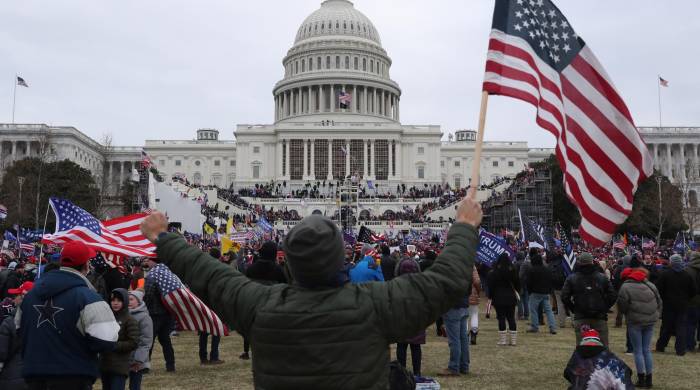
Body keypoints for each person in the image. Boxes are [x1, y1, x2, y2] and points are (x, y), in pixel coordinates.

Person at [139, 190, 482, 389]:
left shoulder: (262, 307)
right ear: (340, 259)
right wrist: (464, 227)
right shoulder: (374, 305)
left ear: (290, 263)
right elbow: (446, 281)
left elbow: (210, 276)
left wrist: (165, 239)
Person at [17, 241, 120, 390]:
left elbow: (18, 330)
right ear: (86, 265)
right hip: (74, 375)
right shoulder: (88, 298)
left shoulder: (29, 296)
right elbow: (107, 340)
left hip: (34, 375)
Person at [240, 241, 288, 360]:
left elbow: (246, 285)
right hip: (272, 305)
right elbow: (286, 287)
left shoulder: (251, 269)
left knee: (250, 328)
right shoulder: (278, 270)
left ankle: (246, 351)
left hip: (253, 303)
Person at [616, 267, 662, 388]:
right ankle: (649, 379)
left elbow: (622, 306)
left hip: (635, 322)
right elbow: (659, 301)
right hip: (650, 321)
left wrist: (627, 314)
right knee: (646, 350)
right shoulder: (651, 285)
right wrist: (656, 314)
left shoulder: (625, 287)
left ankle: (641, 378)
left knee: (638, 351)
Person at [561, 252, 617, 346]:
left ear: (579, 262)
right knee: (602, 348)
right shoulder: (602, 277)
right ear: (592, 262)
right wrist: (604, 308)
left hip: (584, 317)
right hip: (596, 318)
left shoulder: (573, 278)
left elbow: (564, 296)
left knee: (582, 348)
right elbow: (613, 295)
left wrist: (573, 308)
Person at [563, 328, 634, 390]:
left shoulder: (577, 355)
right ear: (598, 341)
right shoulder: (607, 355)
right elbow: (625, 371)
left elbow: (567, 373)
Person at [655, 254, 696, 356]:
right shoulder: (687, 275)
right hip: (683, 305)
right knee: (681, 327)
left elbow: (658, 289)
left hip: (669, 304)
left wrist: (664, 298)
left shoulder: (665, 274)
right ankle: (680, 350)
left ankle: (661, 346)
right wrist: (686, 298)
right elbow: (693, 291)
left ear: (671, 262)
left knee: (666, 326)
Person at [100, 288, 139, 390]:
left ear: (124, 301)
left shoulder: (130, 320)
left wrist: (114, 345)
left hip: (120, 366)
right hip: (105, 364)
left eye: (119, 300)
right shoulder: (106, 318)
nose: (115, 303)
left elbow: (133, 342)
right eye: (113, 300)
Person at [393, 257, 425, 377]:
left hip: (401, 319)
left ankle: (402, 372)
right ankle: (417, 372)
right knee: (415, 346)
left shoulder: (395, 285)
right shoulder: (421, 285)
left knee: (401, 345)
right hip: (417, 319)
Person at [144, 258, 176, 372]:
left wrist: (144, 307)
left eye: (148, 260)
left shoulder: (152, 275)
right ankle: (170, 365)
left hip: (154, 313)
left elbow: (148, 294)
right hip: (167, 312)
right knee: (165, 340)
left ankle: (145, 366)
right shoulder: (167, 273)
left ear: (154, 261)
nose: (147, 262)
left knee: (149, 340)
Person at [0, 281, 33, 390]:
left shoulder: (9, 322)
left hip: (11, 378)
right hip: (36, 378)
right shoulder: (44, 322)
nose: (13, 299)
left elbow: (1, 353)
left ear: (23, 298)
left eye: (16, 296)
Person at [487, 252, 520, 346]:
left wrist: (490, 296)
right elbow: (518, 284)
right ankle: (513, 341)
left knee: (501, 318)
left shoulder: (494, 272)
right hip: (511, 297)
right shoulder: (513, 270)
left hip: (498, 297)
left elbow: (491, 286)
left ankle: (503, 340)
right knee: (511, 318)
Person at [127, 290, 153, 390]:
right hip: (123, 358)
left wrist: (138, 359)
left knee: (134, 385)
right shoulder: (122, 315)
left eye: (131, 299)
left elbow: (146, 340)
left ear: (139, 301)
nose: (129, 302)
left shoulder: (144, 317)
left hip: (137, 359)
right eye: (127, 299)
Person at [526, 254, 557, 334]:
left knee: (533, 310)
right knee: (548, 311)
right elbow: (551, 281)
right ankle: (552, 327)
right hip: (545, 293)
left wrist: (530, 292)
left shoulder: (531, 270)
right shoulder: (547, 270)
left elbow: (528, 282)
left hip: (535, 293)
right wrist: (549, 290)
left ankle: (535, 327)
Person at [548, 250, 569, 328]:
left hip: (556, 287)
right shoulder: (565, 263)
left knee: (560, 304)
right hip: (567, 286)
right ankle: (574, 321)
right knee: (571, 304)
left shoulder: (550, 264)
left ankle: (561, 323)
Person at [685, 251, 700, 352]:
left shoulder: (688, 270)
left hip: (692, 300)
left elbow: (685, 286)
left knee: (690, 323)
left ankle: (690, 345)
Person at [468, 267, 481, 345]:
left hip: (460, 294)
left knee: (464, 317)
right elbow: (477, 281)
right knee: (474, 314)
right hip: (472, 293)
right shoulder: (471, 266)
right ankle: (474, 333)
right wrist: (478, 291)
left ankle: (464, 335)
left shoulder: (455, 263)